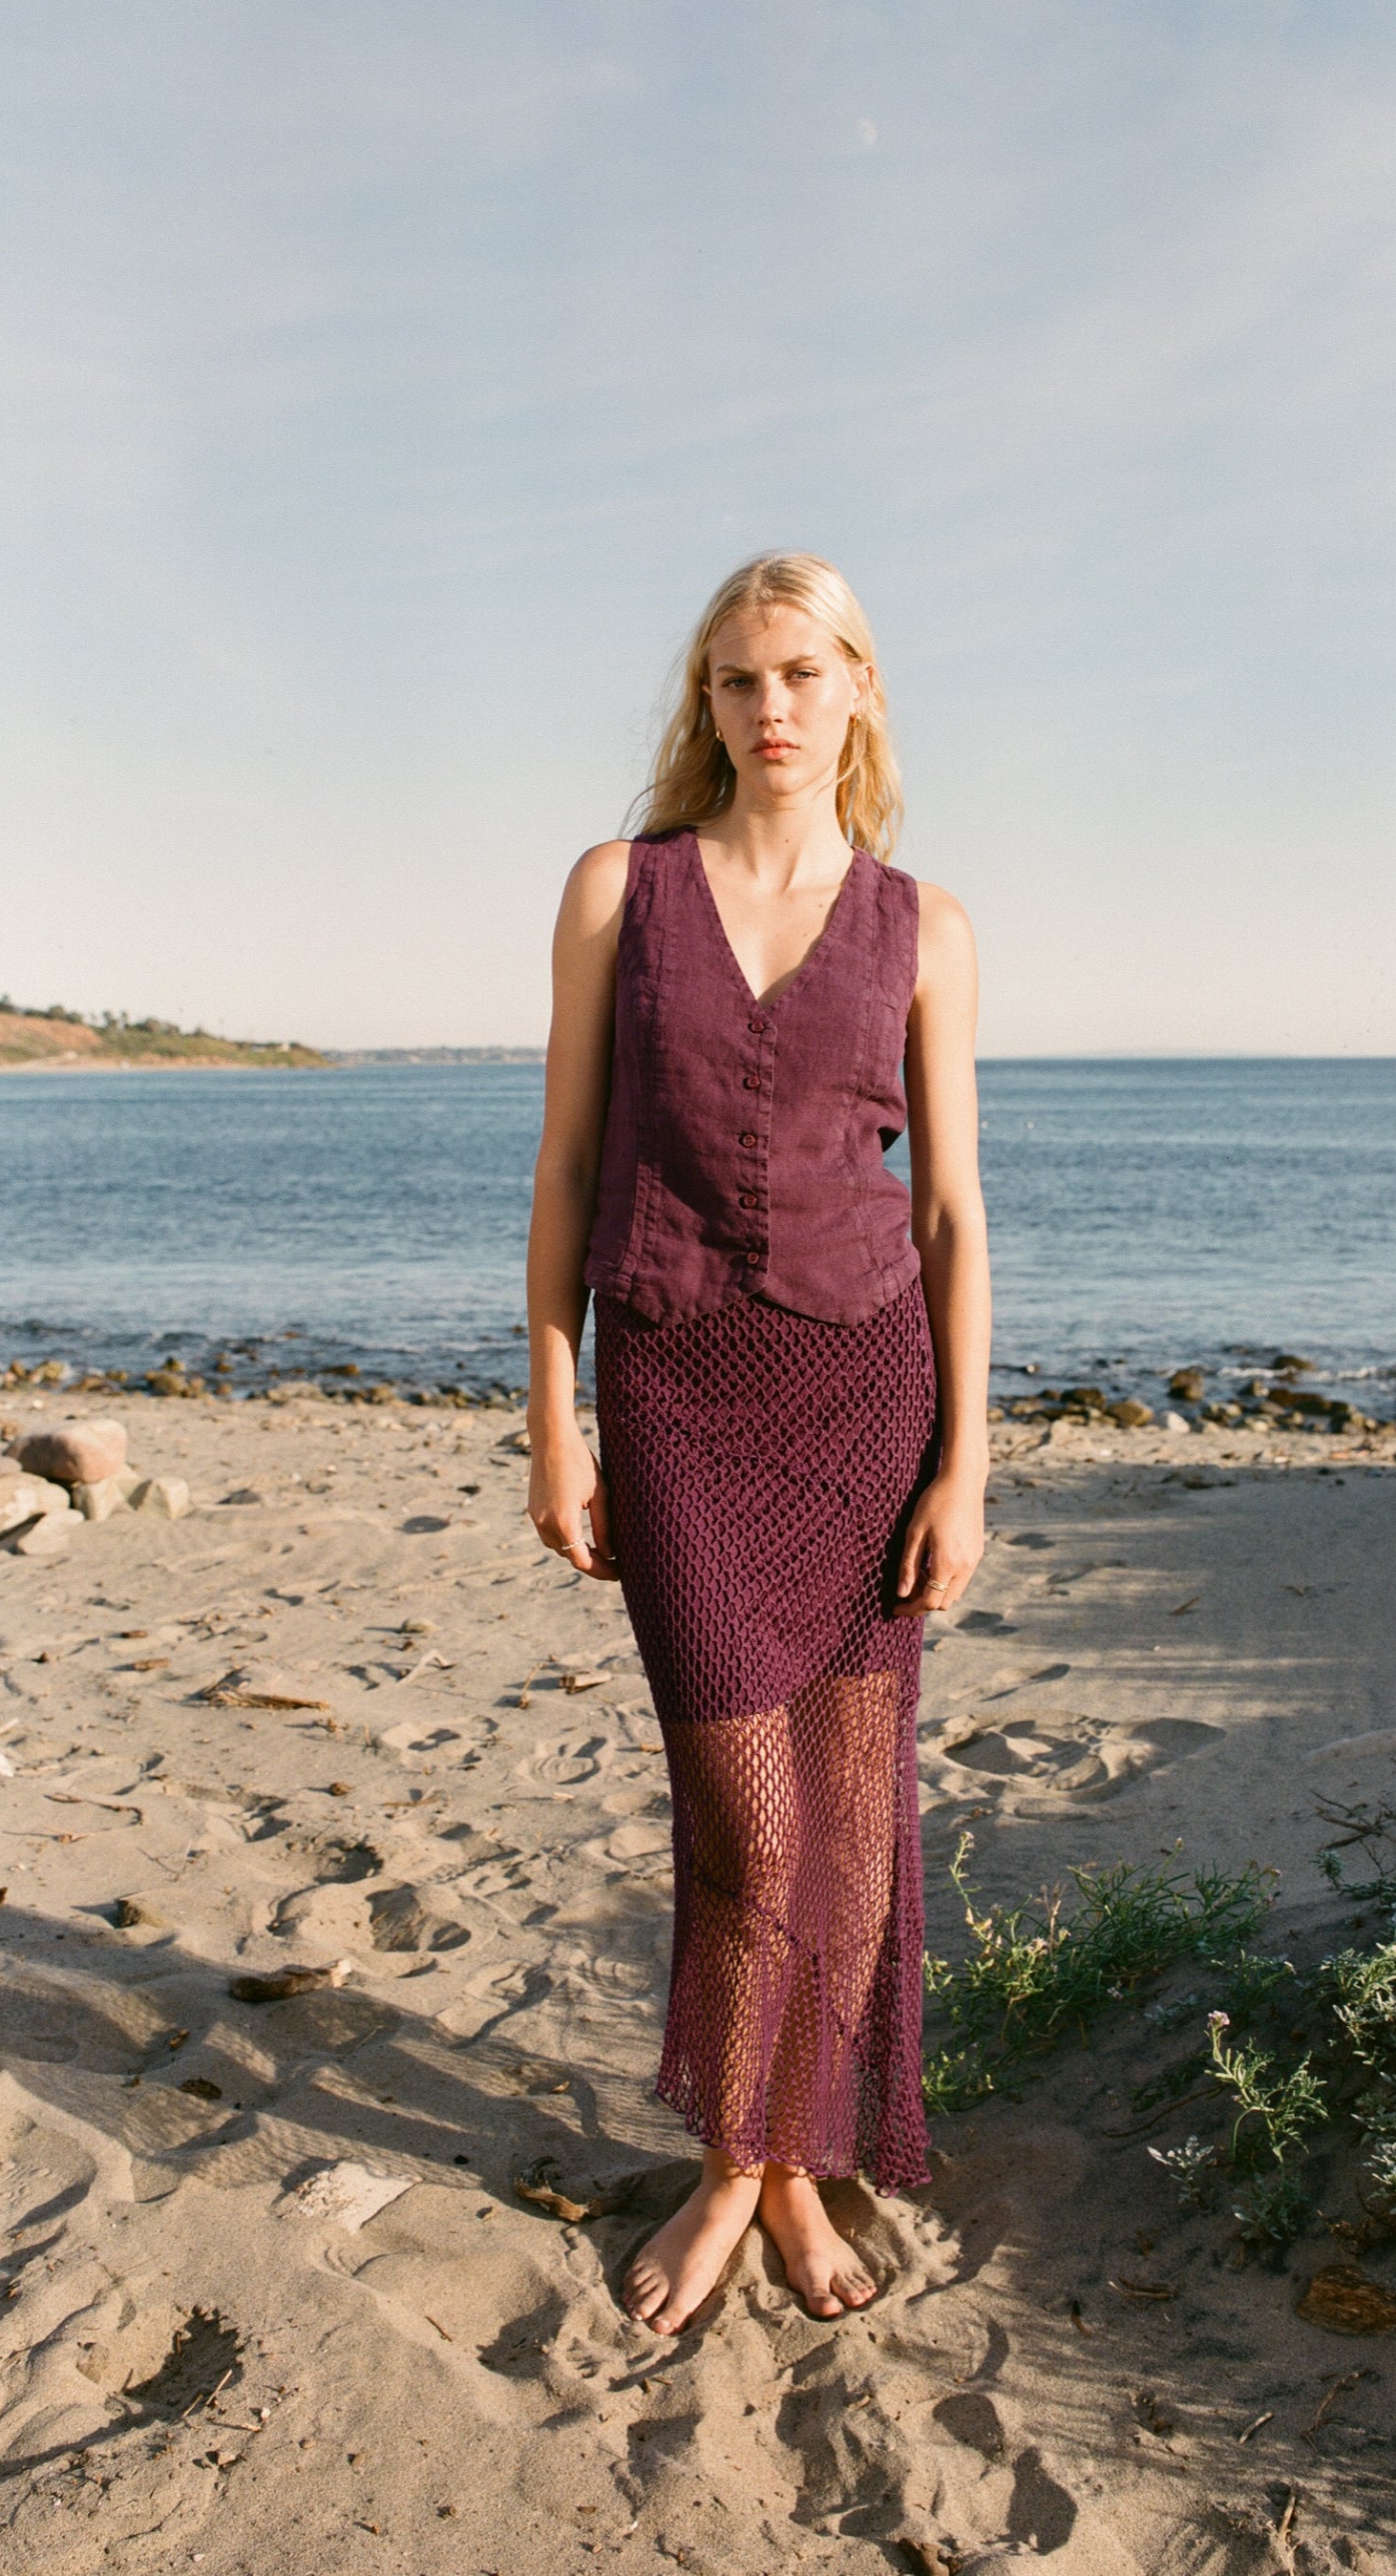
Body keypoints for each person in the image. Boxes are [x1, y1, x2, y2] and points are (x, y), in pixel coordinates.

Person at [525, 552, 990, 2336]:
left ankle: (784, 2162)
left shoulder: (925, 925)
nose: (770, 706)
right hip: (674, 1397)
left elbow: (948, 1212)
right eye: (737, 678)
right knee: (753, 1822)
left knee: (851, 1828)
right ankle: (739, 2157)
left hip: (867, 1402)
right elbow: (569, 1165)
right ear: (705, 703)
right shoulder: (618, 889)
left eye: (802, 671)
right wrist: (555, 1416)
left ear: (858, 686)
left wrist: (965, 1463)